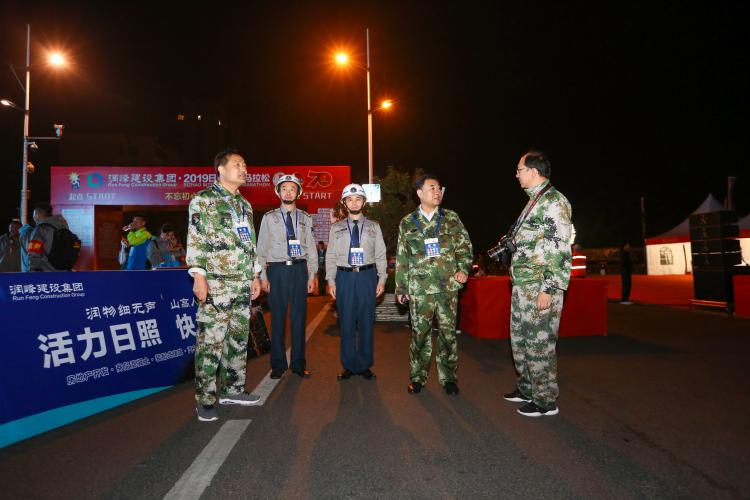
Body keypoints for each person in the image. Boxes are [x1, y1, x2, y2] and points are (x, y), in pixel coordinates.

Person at [186, 148, 263, 422]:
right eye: (238, 164)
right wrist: (198, 275)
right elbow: (196, 238)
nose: (244, 169)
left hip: (242, 283)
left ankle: (233, 390)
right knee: (211, 343)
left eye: (245, 165)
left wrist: (255, 274)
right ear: (221, 169)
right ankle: (205, 401)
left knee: (237, 340)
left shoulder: (244, 204)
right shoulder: (203, 200)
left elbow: (250, 243)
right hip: (216, 283)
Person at [502, 151, 572, 418]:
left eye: (519, 169)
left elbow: (559, 249)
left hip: (540, 287)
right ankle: (527, 388)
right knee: (521, 341)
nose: (516, 174)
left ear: (533, 171)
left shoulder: (553, 202)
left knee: (539, 344)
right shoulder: (534, 201)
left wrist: (548, 288)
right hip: (523, 285)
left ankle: (545, 401)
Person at [395, 174, 473, 396]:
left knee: (448, 334)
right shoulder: (408, 222)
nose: (437, 192)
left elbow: (464, 247)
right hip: (420, 289)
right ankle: (418, 377)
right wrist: (401, 288)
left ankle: (449, 378)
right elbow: (402, 257)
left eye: (439, 188)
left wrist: (463, 269)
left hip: (448, 286)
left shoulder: (451, 218)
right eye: (432, 188)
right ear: (419, 193)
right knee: (420, 334)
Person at [257, 173, 317, 379]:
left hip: (299, 270)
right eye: (284, 189)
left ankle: (298, 364)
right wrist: (263, 275)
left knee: (299, 319)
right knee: (278, 319)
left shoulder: (306, 218)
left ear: (298, 192)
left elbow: (311, 248)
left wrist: (312, 275)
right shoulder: (269, 217)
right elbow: (261, 248)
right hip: (277, 271)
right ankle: (278, 365)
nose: (288, 192)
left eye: (292, 189)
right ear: (278, 192)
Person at [326, 184, 387, 380]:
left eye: (358, 199)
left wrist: (382, 278)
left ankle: (364, 364)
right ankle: (349, 365)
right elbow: (330, 256)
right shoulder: (336, 228)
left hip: (367, 276)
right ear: (345, 203)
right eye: (350, 199)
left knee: (367, 323)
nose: (354, 203)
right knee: (347, 323)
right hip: (344, 277)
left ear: (363, 202)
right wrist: (331, 280)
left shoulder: (373, 227)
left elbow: (380, 254)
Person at [27, 202, 69, 272]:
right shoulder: (63, 226)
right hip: (63, 271)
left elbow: (34, 252)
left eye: (34, 214)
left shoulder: (40, 229)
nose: (33, 217)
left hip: (45, 272)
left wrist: (32, 270)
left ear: (37, 214)